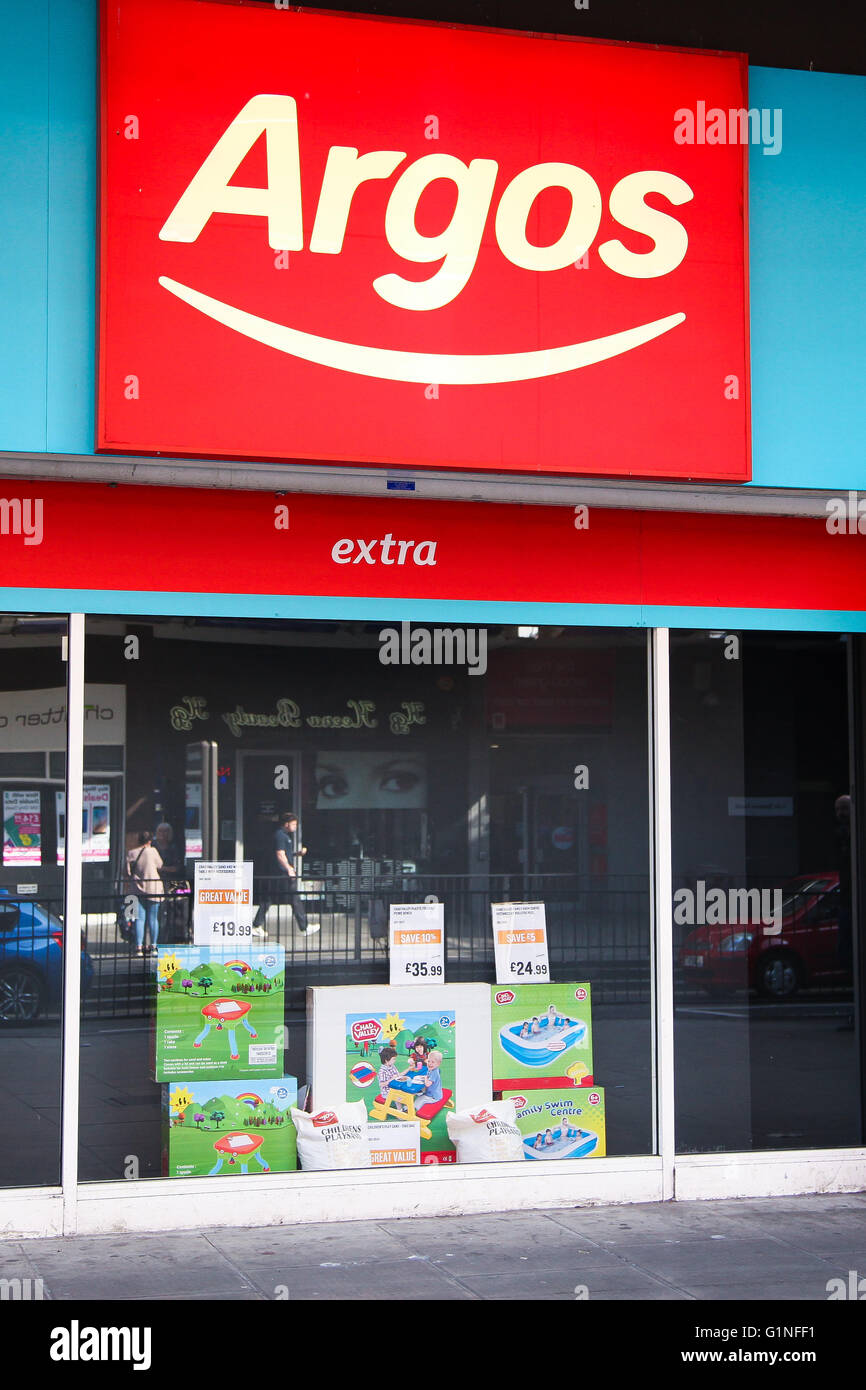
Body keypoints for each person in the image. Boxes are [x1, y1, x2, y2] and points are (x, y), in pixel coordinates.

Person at [253, 811, 319, 937]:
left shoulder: (283, 836)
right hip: (282, 874)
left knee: (268, 899)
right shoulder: (281, 836)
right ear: (286, 824)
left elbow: (283, 854)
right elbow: (280, 854)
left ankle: (256, 925)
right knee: (294, 898)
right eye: (293, 824)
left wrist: (296, 854)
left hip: (278, 873)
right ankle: (304, 927)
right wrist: (289, 868)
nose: (295, 826)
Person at [126, 830, 164, 956]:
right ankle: (153, 946)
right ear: (149, 841)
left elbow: (127, 872)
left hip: (137, 889)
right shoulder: (152, 851)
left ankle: (138, 947)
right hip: (153, 888)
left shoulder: (131, 853)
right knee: (153, 919)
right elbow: (160, 865)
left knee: (139, 919)